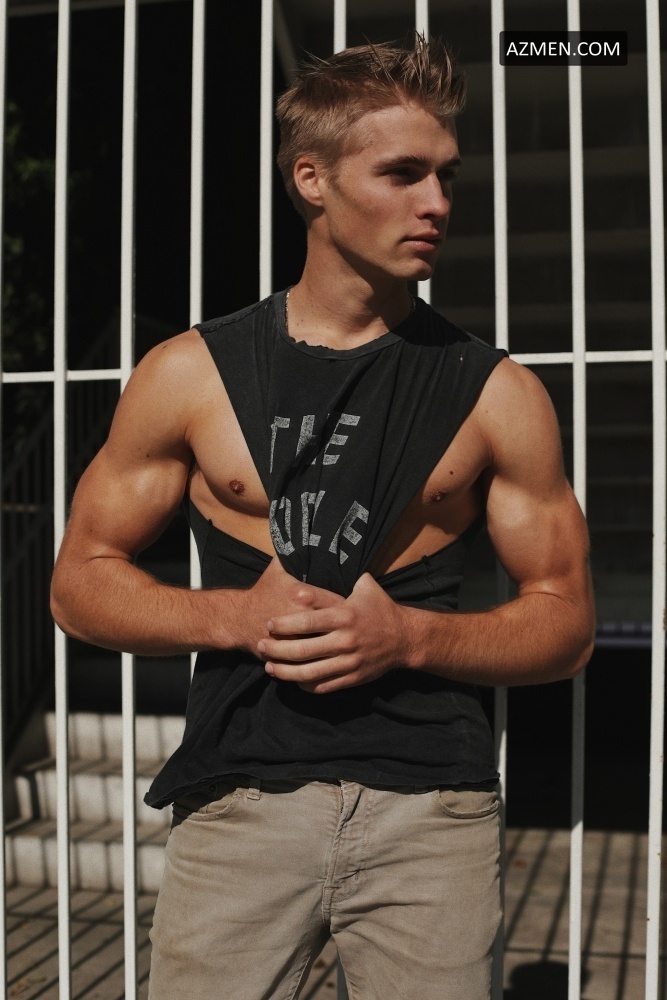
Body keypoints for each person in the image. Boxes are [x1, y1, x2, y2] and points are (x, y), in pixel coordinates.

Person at [51, 35, 594, 1000]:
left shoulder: (497, 393)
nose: (437, 203)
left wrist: (411, 638)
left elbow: (566, 623)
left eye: (446, 175)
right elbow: (78, 586)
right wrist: (232, 616)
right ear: (311, 178)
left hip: (431, 811)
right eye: (402, 173)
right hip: (240, 800)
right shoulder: (189, 374)